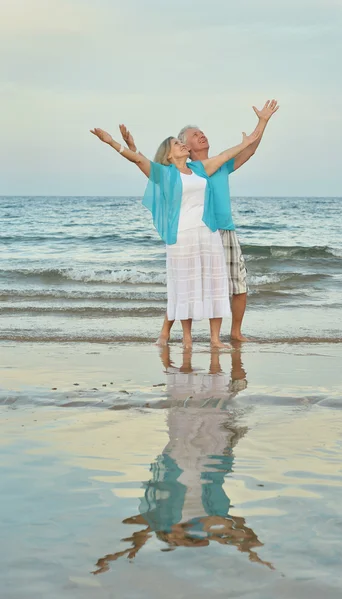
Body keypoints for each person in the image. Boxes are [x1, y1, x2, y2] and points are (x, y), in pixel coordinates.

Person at [92, 348, 275, 574]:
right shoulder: (210, 523)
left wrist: (113, 557)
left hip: (178, 463)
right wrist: (251, 553)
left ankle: (192, 370)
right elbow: (243, 535)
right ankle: (217, 372)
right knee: (215, 420)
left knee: (185, 420)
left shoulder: (161, 519)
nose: (183, 539)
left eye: (176, 540)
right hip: (210, 463)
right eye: (184, 541)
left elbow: (137, 535)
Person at [121, 100, 279, 344]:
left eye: (202, 133)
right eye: (195, 135)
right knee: (188, 285)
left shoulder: (220, 164)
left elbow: (248, 150)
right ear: (185, 144)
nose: (201, 135)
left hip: (223, 229)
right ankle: (166, 331)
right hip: (194, 232)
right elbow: (151, 167)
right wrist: (131, 147)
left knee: (238, 283)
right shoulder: (185, 169)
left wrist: (263, 122)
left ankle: (235, 332)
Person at [90, 125, 260, 348]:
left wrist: (247, 142)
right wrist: (113, 143)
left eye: (181, 143)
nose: (182, 145)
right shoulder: (166, 173)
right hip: (182, 236)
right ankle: (186, 338)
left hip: (207, 233)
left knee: (214, 283)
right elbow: (139, 161)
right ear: (169, 155)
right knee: (185, 286)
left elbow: (226, 155)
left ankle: (215, 339)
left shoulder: (200, 169)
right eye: (177, 144)